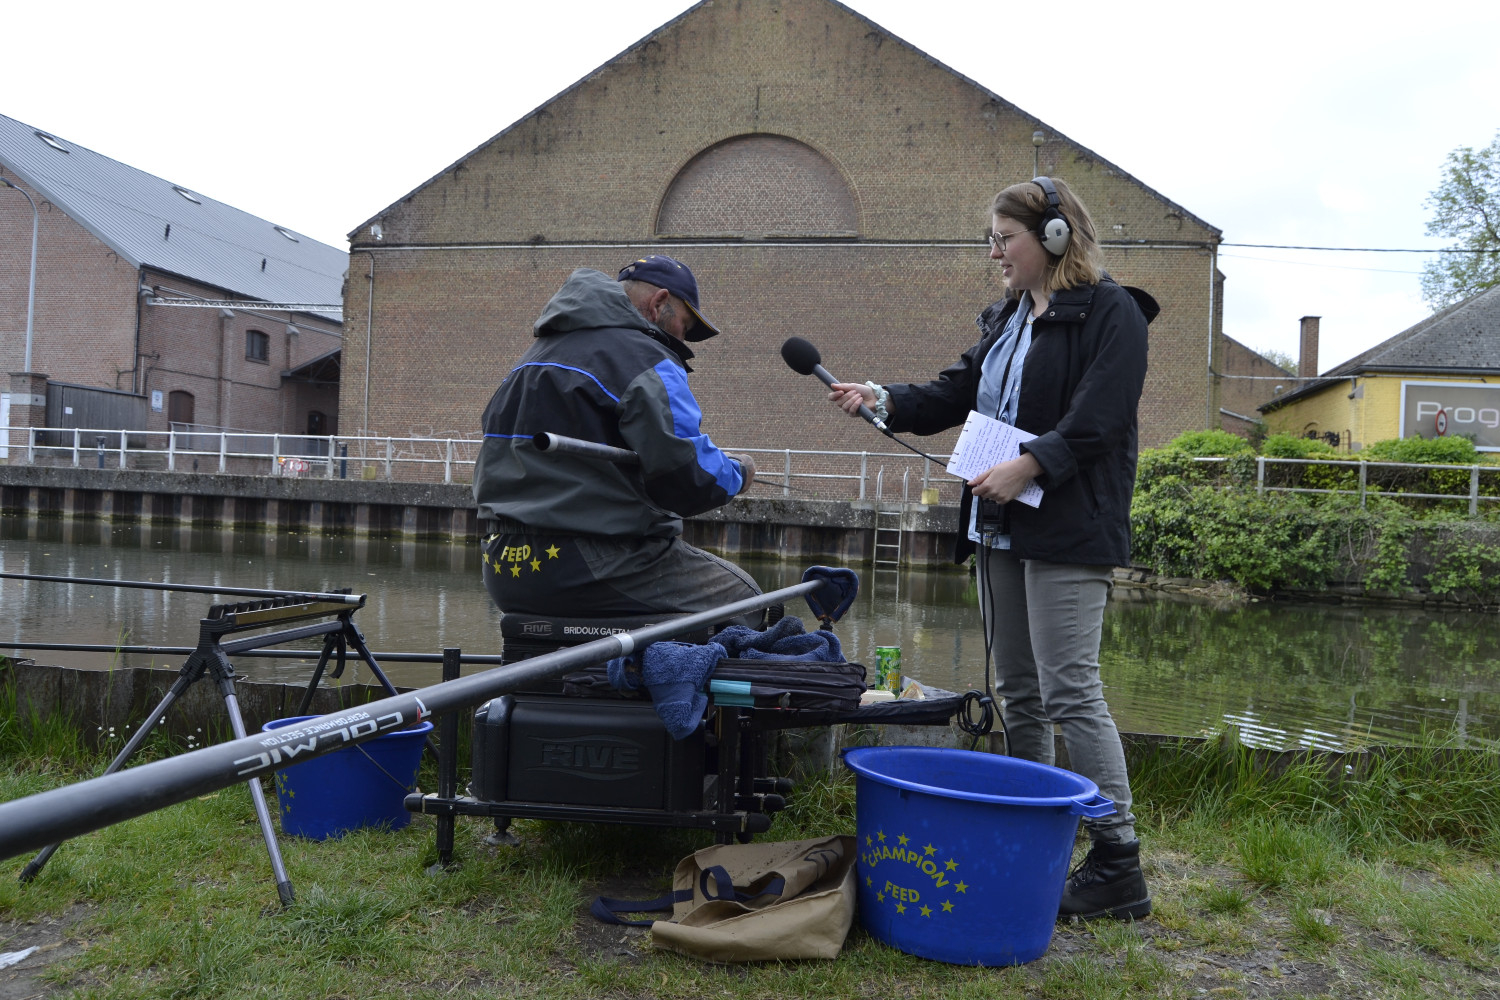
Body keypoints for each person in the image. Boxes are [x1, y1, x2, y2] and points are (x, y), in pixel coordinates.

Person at [827, 177, 1158, 921]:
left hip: (1069, 527)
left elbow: (1100, 417)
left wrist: (1030, 464)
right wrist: (881, 399)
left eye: (1004, 238)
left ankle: (1117, 859)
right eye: (992, 238)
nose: (994, 252)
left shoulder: (1114, 313)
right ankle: (1032, 836)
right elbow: (954, 394)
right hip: (1000, 526)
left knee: (1071, 689)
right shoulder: (1008, 319)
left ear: (1054, 238)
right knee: (1020, 693)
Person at [473, 254, 762, 618]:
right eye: (685, 327)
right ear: (659, 304)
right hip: (591, 566)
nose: (682, 339)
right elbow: (687, 478)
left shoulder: (529, 361)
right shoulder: (643, 357)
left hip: (504, 566)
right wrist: (738, 473)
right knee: (750, 600)